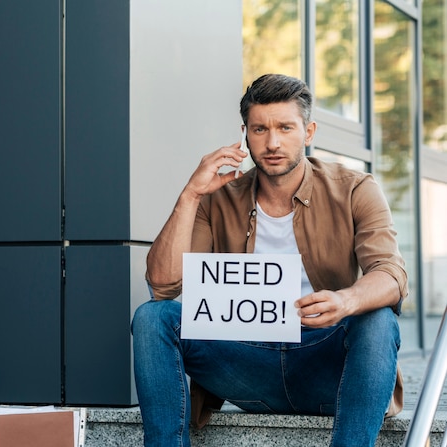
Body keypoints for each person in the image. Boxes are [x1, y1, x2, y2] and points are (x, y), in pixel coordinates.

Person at [131, 73, 408, 447]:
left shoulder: (355, 188)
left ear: (308, 132)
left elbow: (391, 275)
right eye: (260, 129)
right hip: (246, 365)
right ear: (245, 133)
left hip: (324, 362)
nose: (273, 142)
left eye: (285, 128)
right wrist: (191, 194)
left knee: (377, 318)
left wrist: (346, 300)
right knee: (152, 316)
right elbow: (163, 285)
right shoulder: (218, 196)